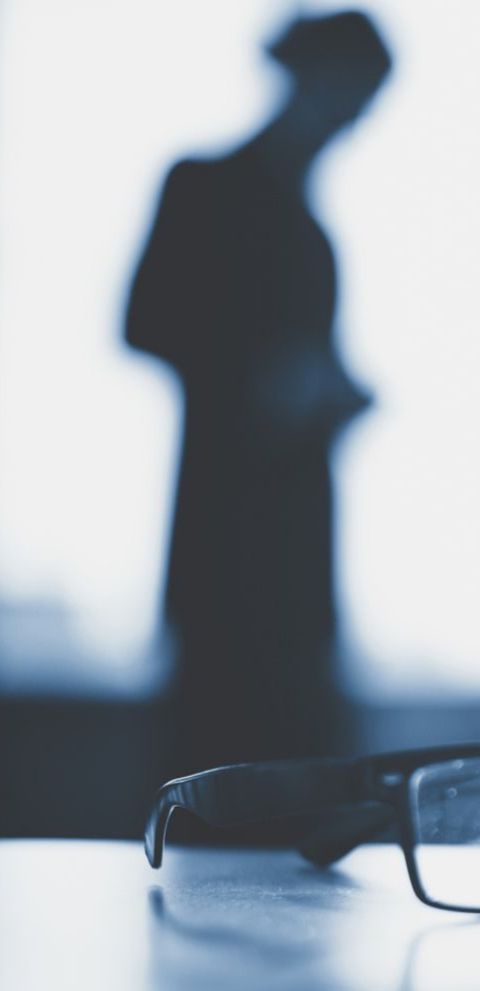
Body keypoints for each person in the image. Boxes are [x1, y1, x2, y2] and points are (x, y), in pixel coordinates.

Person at [126, 11, 390, 775]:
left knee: (295, 761)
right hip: (224, 535)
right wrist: (264, 377)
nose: (354, 117)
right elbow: (143, 322)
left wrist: (325, 391)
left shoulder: (311, 231)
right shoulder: (205, 187)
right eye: (352, 94)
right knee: (221, 754)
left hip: (297, 538)